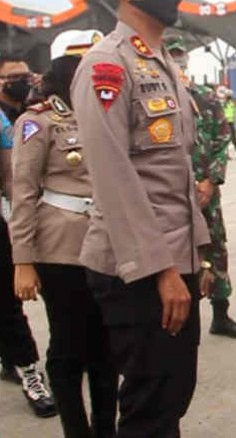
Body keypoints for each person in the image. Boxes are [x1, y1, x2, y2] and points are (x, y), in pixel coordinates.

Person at [71, 0, 211, 437]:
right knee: (150, 410)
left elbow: (173, 171)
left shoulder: (161, 63)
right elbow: (114, 179)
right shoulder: (107, 66)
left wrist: (198, 259)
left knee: (171, 397)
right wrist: (164, 272)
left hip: (174, 262)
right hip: (139, 271)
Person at [11, 31, 119, 437]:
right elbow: (23, 193)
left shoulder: (106, 113)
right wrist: (23, 261)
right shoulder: (37, 122)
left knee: (106, 348)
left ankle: (106, 429)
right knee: (69, 345)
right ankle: (77, 430)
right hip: (61, 249)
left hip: (107, 244)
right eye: (79, 61)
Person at [166, 36, 236, 339]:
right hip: (168, 192)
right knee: (170, 251)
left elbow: (221, 138)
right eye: (170, 54)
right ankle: (175, 316)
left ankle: (221, 313)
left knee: (216, 247)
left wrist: (211, 180)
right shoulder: (155, 94)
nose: (177, 60)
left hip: (205, 191)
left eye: (179, 55)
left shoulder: (205, 97)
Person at [0, 54, 57, 417]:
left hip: (22, 214)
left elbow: (11, 176)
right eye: (11, 77)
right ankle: (23, 366)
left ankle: (28, 367)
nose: (20, 81)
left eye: (23, 75)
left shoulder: (37, 110)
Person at [221, 88, 236, 160]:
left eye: (230, 95)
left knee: (234, 139)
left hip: (231, 123)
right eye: (228, 95)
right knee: (225, 139)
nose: (229, 96)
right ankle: (227, 155)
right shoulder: (223, 104)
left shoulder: (232, 103)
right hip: (225, 123)